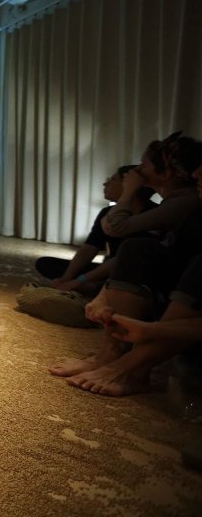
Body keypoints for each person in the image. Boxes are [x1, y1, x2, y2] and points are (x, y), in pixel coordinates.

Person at [49, 137, 202, 396]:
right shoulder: (196, 213)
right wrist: (103, 294)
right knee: (138, 247)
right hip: (172, 308)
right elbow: (160, 253)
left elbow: (116, 228)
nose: (197, 173)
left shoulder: (185, 203)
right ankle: (109, 355)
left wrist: (153, 330)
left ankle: (131, 367)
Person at [34, 165, 156, 296]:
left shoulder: (154, 215)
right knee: (46, 263)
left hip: (132, 272)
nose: (105, 183)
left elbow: (120, 259)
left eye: (112, 179)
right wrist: (67, 277)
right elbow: (88, 249)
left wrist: (78, 281)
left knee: (137, 282)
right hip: (107, 270)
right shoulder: (107, 212)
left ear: (129, 185)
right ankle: (97, 288)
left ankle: (97, 289)